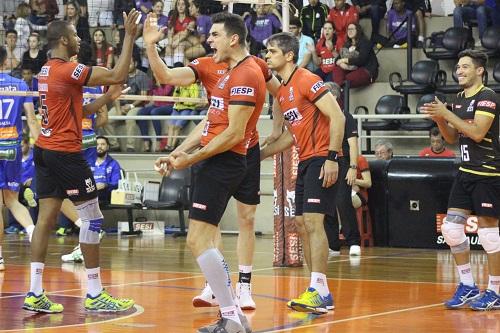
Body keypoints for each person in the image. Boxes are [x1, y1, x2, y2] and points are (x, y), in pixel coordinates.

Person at [144, 11, 281, 311]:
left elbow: (276, 97)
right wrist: (182, 150)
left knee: (238, 221)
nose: (207, 40)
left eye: (214, 35)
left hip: (235, 152)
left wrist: (279, 130)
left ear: (233, 39)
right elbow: (206, 113)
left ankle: (239, 292)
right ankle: (219, 290)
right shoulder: (218, 69)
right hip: (217, 151)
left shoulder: (249, 70)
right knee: (204, 231)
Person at [22, 10, 141, 314]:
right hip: (65, 153)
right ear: (64, 40)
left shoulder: (46, 71)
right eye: (75, 35)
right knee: (93, 219)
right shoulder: (67, 70)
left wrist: (107, 100)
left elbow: (83, 110)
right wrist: (129, 36)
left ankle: (34, 292)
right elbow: (117, 75)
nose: (79, 39)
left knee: (45, 220)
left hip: (44, 150)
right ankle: (95, 292)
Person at [262, 32, 345, 314]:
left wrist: (333, 158)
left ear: (289, 56)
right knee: (300, 224)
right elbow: (291, 136)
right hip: (307, 159)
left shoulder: (307, 79)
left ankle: (320, 290)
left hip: (324, 157)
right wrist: (260, 154)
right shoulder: (284, 92)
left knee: (312, 222)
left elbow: (338, 116)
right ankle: (316, 289)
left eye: (272, 51)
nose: (267, 55)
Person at [421, 49, 500, 310]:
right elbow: (453, 138)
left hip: (488, 174)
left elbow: (477, 133)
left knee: (489, 235)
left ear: (480, 71)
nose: (459, 71)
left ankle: (495, 290)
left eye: (465, 67)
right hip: (466, 172)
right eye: (458, 67)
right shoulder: (458, 99)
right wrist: (440, 119)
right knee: (451, 229)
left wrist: (447, 113)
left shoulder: (487, 97)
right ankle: (468, 285)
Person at [0, 46, 40, 268]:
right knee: (12, 201)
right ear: (6, 62)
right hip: (13, 147)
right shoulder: (20, 84)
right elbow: (32, 120)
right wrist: (42, 147)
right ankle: (33, 232)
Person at [323, 82, 361, 257]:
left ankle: (353, 241)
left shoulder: (346, 116)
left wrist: (353, 167)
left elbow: (353, 145)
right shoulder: (320, 116)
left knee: (342, 201)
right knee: (326, 204)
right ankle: (333, 244)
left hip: (343, 162)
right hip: (323, 162)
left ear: (334, 96)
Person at [332, 23, 379, 88]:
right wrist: (342, 64)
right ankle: (339, 89)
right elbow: (337, 59)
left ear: (358, 30)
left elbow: (361, 60)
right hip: (351, 70)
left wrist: (344, 60)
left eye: (352, 29)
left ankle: (339, 92)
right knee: (336, 70)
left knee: (346, 80)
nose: (350, 31)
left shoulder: (365, 42)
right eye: (348, 29)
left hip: (366, 70)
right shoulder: (347, 44)